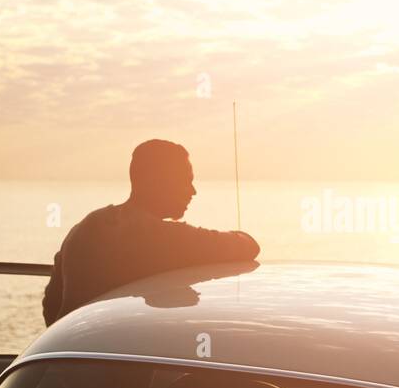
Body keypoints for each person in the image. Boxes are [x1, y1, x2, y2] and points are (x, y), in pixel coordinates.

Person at [42, 139, 260, 326]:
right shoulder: (163, 237)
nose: (193, 191)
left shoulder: (88, 225)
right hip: (112, 366)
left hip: (62, 358)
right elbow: (248, 246)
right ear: (159, 182)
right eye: (186, 181)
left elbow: (51, 304)